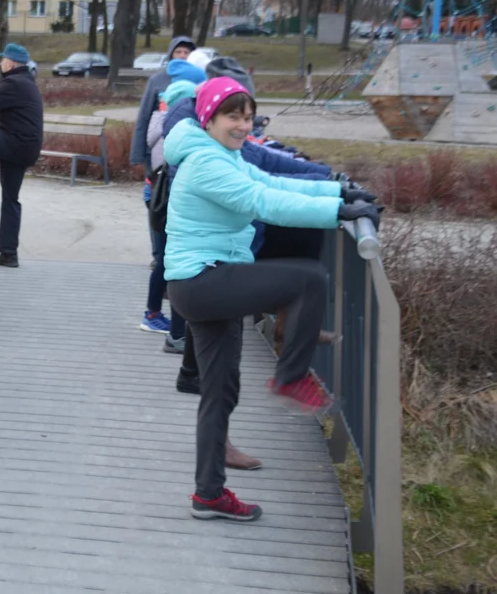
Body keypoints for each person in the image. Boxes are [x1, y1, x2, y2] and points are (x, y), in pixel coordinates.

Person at [163, 77, 380, 522]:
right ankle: (291, 375)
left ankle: (209, 495)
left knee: (219, 392)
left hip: (205, 281)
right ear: (208, 119)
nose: (242, 126)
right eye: (232, 116)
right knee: (308, 279)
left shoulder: (224, 154)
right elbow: (262, 200)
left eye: (247, 117)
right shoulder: (206, 162)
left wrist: (339, 193)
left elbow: (271, 179)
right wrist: (337, 212)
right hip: (204, 280)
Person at [141, 59, 207, 336]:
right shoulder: (174, 131)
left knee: (167, 259)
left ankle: (156, 314)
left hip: (157, 196)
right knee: (168, 260)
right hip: (164, 200)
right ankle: (156, 316)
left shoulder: (162, 122)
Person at [0, 43, 43, 268]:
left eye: (2, 61)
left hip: (17, 145)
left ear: (10, 63)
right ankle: (9, 253)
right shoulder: (24, 82)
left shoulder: (15, 84)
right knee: (10, 199)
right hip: (23, 147)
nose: (0, 64)